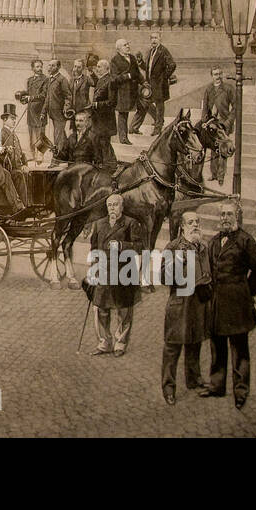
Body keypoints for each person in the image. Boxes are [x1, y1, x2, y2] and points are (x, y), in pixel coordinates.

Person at [201, 201, 256, 409]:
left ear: (237, 216)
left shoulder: (246, 241)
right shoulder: (213, 242)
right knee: (217, 346)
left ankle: (241, 390)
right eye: (222, 215)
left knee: (239, 348)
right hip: (217, 302)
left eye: (229, 214)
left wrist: (247, 292)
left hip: (238, 302)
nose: (224, 218)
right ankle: (217, 385)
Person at [161, 209, 211, 404]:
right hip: (179, 303)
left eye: (197, 221)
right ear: (182, 226)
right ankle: (168, 387)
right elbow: (164, 277)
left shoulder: (203, 247)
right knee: (172, 347)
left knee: (195, 342)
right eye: (190, 222)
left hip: (198, 303)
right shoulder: (173, 247)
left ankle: (194, 379)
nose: (195, 225)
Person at [88, 193, 145, 357]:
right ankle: (104, 342)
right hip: (103, 271)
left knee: (124, 309)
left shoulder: (130, 223)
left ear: (122, 207)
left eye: (115, 205)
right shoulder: (99, 224)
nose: (112, 208)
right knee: (101, 308)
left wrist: (122, 245)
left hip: (123, 272)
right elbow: (93, 248)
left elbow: (139, 246)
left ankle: (120, 343)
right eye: (109, 205)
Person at [201, 67, 235, 186]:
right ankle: (214, 174)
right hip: (212, 124)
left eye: (220, 73)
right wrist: (204, 121)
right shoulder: (208, 89)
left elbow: (235, 108)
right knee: (213, 149)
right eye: (215, 74)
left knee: (223, 150)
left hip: (223, 124)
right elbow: (205, 107)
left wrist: (228, 123)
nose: (218, 76)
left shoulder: (228, 89)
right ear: (212, 76)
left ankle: (221, 176)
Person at [137, 31, 175, 136]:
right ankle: (159, 120)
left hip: (160, 84)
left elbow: (172, 65)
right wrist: (140, 63)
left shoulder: (163, 51)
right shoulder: (150, 51)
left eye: (156, 38)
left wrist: (164, 77)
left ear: (160, 39)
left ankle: (158, 128)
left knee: (159, 105)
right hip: (150, 84)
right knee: (146, 103)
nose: (153, 40)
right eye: (152, 38)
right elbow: (149, 69)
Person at [109, 39, 141, 145]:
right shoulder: (115, 60)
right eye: (125, 45)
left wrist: (144, 82)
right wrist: (127, 76)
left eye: (128, 44)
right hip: (122, 92)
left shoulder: (132, 57)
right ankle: (123, 138)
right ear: (118, 49)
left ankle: (130, 131)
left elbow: (137, 72)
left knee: (142, 107)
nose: (127, 46)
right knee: (123, 114)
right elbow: (114, 78)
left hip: (133, 90)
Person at [19, 59, 50, 164]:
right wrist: (23, 98)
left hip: (40, 111)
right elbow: (28, 93)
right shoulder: (30, 80)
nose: (40, 68)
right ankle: (32, 155)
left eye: (41, 66)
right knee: (31, 134)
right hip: (31, 111)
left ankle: (40, 156)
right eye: (37, 67)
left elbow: (43, 96)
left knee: (40, 135)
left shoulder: (45, 79)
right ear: (32, 68)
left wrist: (29, 98)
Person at [88, 62, 119, 167]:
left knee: (104, 143)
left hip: (106, 120)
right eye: (97, 66)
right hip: (98, 119)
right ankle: (101, 164)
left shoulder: (111, 80)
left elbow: (112, 102)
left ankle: (110, 165)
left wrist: (96, 104)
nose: (97, 69)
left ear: (106, 68)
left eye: (99, 67)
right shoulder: (102, 79)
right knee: (98, 142)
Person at [43, 59, 70, 154]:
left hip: (60, 114)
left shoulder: (62, 80)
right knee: (61, 135)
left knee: (57, 136)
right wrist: (43, 112)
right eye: (49, 65)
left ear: (58, 67)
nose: (49, 67)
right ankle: (67, 155)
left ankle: (56, 159)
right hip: (53, 114)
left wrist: (66, 108)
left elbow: (68, 96)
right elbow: (47, 98)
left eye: (52, 66)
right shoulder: (50, 79)